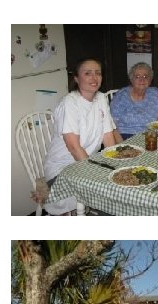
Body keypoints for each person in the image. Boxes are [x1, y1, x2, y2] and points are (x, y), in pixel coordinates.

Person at [41, 57, 121, 215]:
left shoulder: (100, 98)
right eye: (88, 73)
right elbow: (73, 147)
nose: (94, 77)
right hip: (62, 170)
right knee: (108, 193)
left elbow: (108, 137)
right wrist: (93, 176)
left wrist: (115, 167)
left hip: (88, 162)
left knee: (120, 184)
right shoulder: (70, 103)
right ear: (76, 78)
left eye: (98, 73)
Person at [110, 62, 158, 139]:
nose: (142, 80)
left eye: (145, 76)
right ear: (131, 80)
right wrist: (121, 146)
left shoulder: (155, 94)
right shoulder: (121, 96)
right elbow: (112, 126)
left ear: (150, 80)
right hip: (126, 135)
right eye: (137, 77)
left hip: (153, 135)